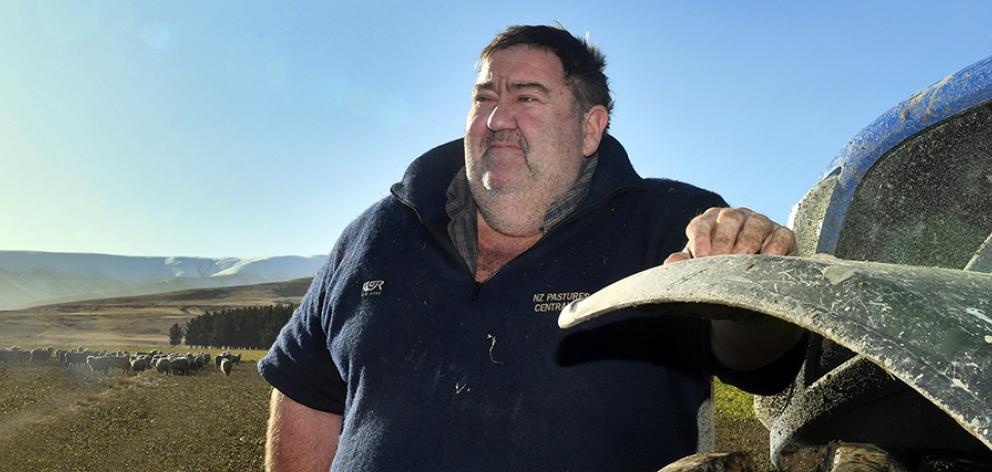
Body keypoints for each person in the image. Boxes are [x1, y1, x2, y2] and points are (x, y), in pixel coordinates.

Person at [258, 24, 805, 472]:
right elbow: (308, 392)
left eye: (527, 98)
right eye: (485, 98)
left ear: (591, 128)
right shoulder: (376, 234)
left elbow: (758, 357)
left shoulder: (664, 224)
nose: (498, 120)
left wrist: (749, 277)